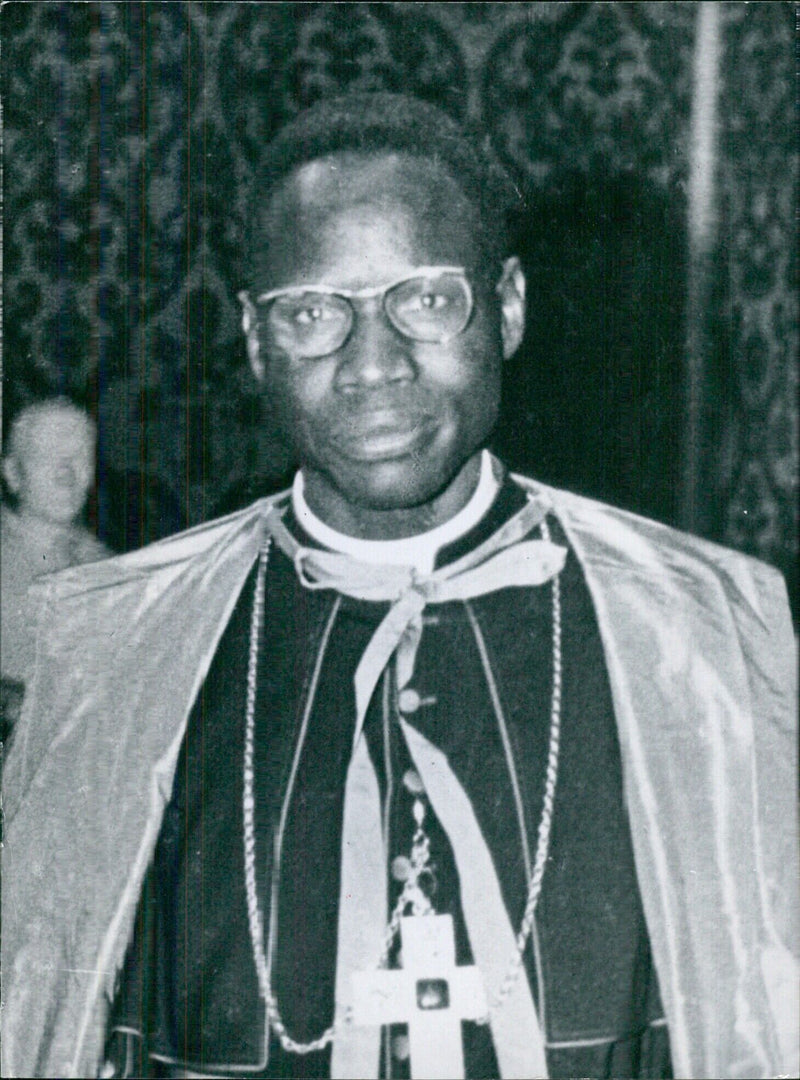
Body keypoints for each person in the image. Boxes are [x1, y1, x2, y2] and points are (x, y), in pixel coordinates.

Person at [1, 93, 797, 1080]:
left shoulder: (704, 633)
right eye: (310, 314)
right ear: (255, 342)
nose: (370, 364)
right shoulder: (113, 645)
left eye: (422, 299)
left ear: (504, 307)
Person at [0, 396, 110, 743]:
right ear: (13, 473)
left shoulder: (110, 569)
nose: (66, 473)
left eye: (79, 458)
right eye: (48, 458)